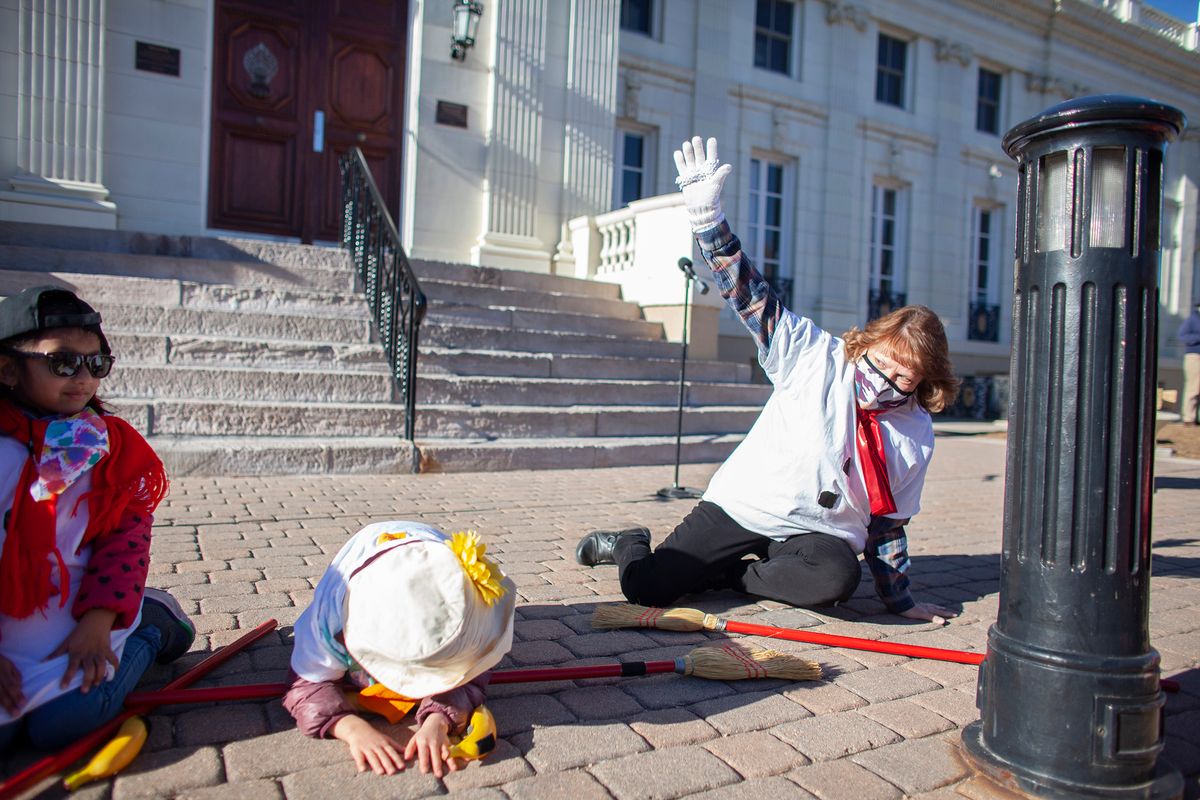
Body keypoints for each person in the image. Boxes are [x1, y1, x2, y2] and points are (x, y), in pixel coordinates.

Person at [576, 137, 960, 624]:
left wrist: (901, 602)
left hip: (819, 532)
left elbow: (886, 523)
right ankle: (630, 542)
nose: (885, 381)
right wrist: (708, 221)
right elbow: (751, 296)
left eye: (903, 377)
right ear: (867, 343)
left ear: (924, 382)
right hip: (748, 504)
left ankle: (733, 576)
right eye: (881, 363)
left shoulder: (915, 432)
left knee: (835, 581)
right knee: (647, 588)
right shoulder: (816, 354)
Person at [0, 286, 194, 751]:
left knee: (63, 724)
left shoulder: (106, 447)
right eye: (63, 363)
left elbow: (125, 540)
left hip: (85, 615)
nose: (84, 378)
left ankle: (151, 624)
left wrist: (98, 622)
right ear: (7, 368)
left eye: (97, 363)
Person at [284, 520, 516, 778]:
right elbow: (305, 686)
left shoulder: (462, 600)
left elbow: (473, 669)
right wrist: (351, 729)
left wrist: (438, 721)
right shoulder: (327, 624)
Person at [1178, 300, 1200, 425]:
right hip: (1195, 357)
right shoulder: (1192, 320)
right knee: (1193, 387)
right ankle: (1188, 417)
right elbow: (1182, 336)